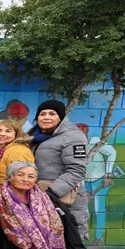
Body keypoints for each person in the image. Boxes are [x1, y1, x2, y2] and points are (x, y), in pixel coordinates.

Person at [27, 100, 90, 239]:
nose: (46, 117)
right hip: (41, 196)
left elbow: (77, 170)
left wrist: (51, 192)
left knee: (68, 243)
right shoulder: (35, 137)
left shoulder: (73, 136)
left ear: (61, 117)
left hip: (64, 199)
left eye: (52, 113)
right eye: (42, 114)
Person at [78, 124, 117, 245]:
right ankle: (83, 236)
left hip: (99, 180)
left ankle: (98, 239)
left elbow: (112, 153)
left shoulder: (95, 142)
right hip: (85, 182)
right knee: (83, 209)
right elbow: (79, 166)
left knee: (98, 209)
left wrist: (108, 173)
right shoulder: (77, 146)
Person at [0, 119, 35, 193]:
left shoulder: (19, 151)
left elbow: (22, 181)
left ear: (16, 134)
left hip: (11, 196)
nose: (2, 134)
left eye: (8, 131)